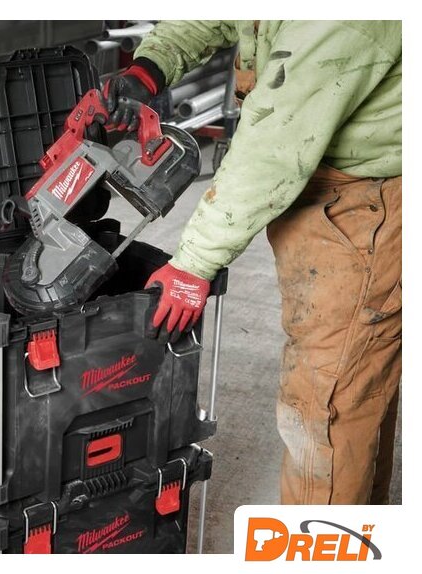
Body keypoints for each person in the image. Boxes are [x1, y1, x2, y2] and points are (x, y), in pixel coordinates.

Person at [104, 20, 401, 505]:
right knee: (358, 388)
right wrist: (150, 67)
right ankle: (362, 533)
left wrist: (193, 262)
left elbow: (277, 139)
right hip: (328, 184)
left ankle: (320, 540)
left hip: (364, 201)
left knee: (325, 412)